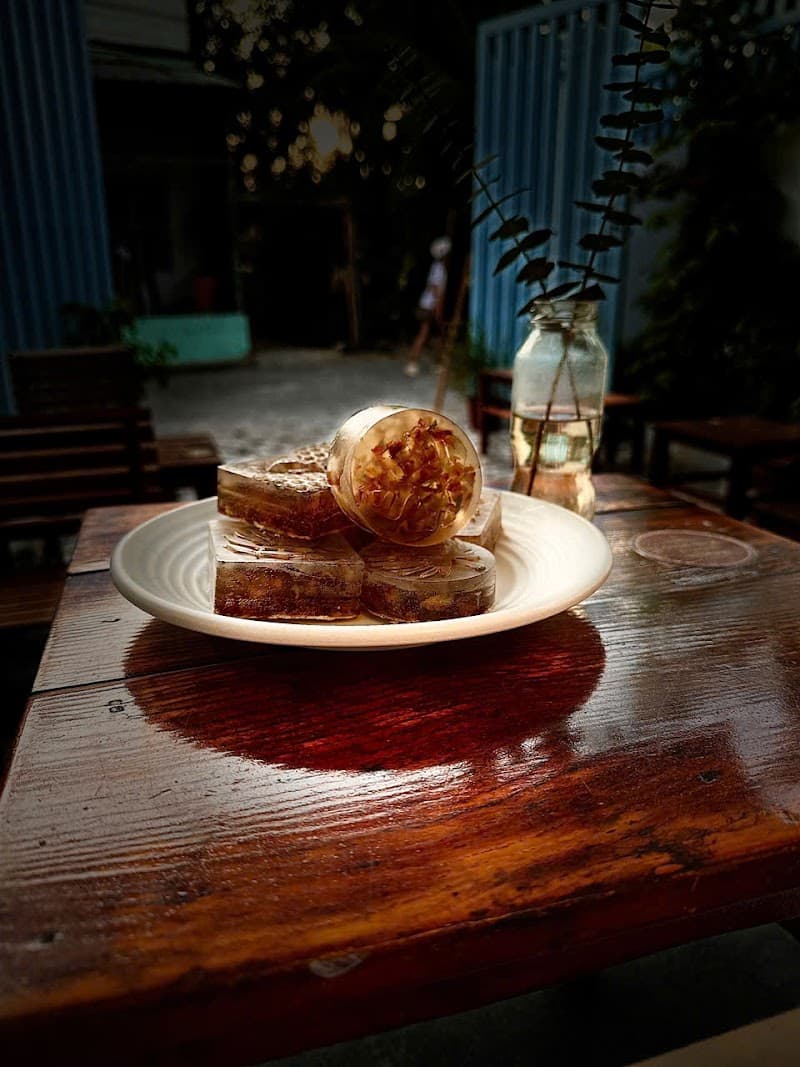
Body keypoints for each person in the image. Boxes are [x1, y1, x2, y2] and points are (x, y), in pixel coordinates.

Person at [404, 236, 451, 377]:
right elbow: (436, 289)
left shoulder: (436, 267)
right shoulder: (439, 269)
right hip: (431, 305)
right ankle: (413, 362)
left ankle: (438, 363)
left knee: (437, 336)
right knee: (425, 334)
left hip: (428, 304)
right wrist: (438, 309)